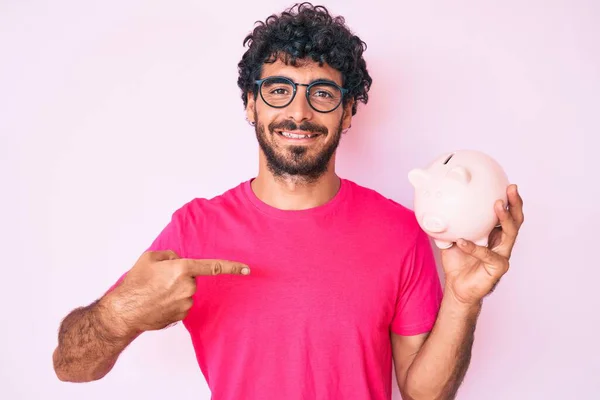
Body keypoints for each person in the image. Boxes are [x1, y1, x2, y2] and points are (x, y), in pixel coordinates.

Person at [52, 3, 524, 399]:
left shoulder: (401, 231)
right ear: (251, 105)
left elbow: (424, 394)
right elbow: (71, 368)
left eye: (322, 93)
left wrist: (462, 301)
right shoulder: (195, 230)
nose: (299, 112)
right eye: (279, 90)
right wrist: (119, 314)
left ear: (348, 112)